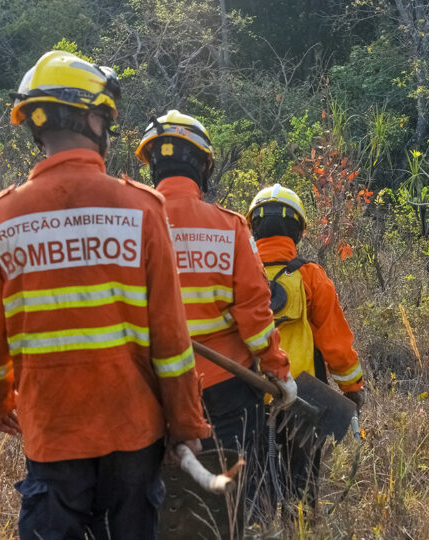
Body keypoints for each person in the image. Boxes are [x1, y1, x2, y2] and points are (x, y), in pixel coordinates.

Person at [0, 51, 209, 540]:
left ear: (37, 126)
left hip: (51, 430)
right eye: (106, 118)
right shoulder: (142, 208)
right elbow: (172, 342)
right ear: (92, 117)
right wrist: (185, 423)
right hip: (133, 430)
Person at [135, 110, 296, 522]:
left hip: (147, 389)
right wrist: (279, 371)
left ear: (152, 163)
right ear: (205, 165)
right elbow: (256, 315)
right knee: (238, 497)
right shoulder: (229, 227)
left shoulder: (127, 224)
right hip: (226, 389)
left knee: (150, 498)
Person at [247, 183, 365, 509]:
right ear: (297, 230)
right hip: (306, 398)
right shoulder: (311, 276)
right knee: (302, 483)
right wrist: (353, 388)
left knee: (256, 481)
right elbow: (336, 343)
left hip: (249, 394)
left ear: (253, 226)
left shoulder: (238, 274)